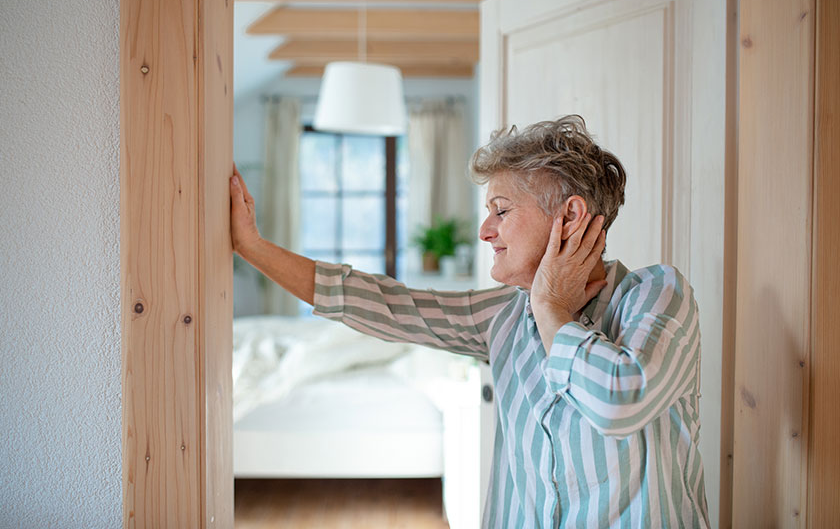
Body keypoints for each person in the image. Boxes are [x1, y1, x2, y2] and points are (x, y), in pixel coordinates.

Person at [229, 115, 709, 528]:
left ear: (570, 218)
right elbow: (381, 302)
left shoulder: (657, 294)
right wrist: (253, 246)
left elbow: (618, 402)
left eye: (501, 211)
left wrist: (550, 308)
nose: (485, 231)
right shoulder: (502, 315)